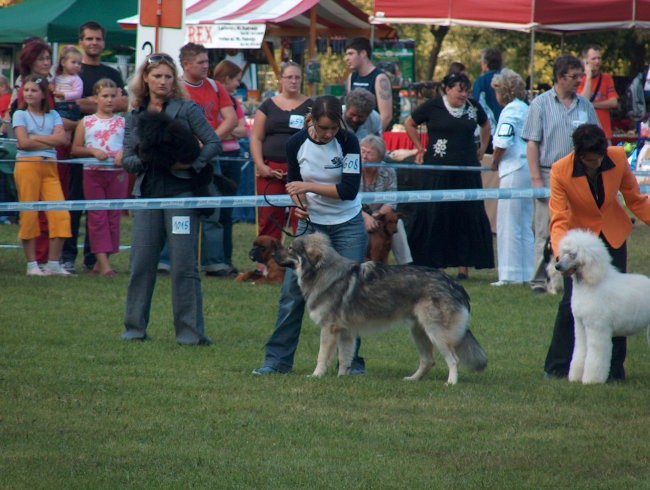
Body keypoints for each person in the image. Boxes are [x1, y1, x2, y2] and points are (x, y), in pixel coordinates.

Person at [253, 95, 367, 375]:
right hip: (310, 227)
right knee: (292, 294)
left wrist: (307, 187)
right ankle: (277, 360)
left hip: (347, 224)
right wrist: (299, 206)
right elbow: (294, 186)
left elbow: (348, 190)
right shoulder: (296, 143)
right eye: (324, 127)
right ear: (313, 121)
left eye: (334, 128)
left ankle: (351, 364)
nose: (329, 133)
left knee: (350, 297)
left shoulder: (348, 141)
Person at [121, 53, 220, 345]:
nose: (163, 81)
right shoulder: (135, 114)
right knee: (141, 264)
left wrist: (191, 165)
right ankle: (133, 329)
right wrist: (149, 161)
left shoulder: (188, 108)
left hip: (182, 195)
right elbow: (126, 160)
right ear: (146, 80)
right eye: (157, 76)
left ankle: (190, 334)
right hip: (147, 196)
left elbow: (213, 142)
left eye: (167, 76)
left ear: (173, 80)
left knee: (184, 266)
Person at [544, 124, 650, 381]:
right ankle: (558, 366)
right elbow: (558, 218)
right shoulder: (560, 170)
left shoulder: (617, 158)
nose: (597, 163)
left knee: (619, 302)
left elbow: (634, 199)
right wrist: (561, 254)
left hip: (612, 236)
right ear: (578, 154)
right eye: (591, 160)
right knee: (571, 304)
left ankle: (614, 369)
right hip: (579, 243)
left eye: (600, 158)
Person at [403, 72, 494, 279]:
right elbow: (410, 123)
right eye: (460, 90)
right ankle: (437, 265)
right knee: (437, 214)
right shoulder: (432, 106)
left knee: (466, 215)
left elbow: (485, 124)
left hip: (466, 169)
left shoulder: (473, 107)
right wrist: (419, 148)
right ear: (447, 88)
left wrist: (483, 147)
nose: (464, 95)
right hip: (438, 169)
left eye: (466, 90)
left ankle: (464, 266)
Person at [522, 54, 599, 294]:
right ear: (559, 77)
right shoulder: (540, 104)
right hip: (548, 174)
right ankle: (540, 280)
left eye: (580, 76)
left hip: (581, 175)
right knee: (545, 228)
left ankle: (579, 277)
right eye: (574, 77)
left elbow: (596, 139)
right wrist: (535, 179)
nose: (579, 81)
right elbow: (532, 143)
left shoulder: (585, 105)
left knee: (580, 227)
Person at [157, 42, 236, 277]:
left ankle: (214, 262)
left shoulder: (215, 86)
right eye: (200, 62)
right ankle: (166, 261)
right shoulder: (174, 87)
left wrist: (207, 141)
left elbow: (230, 119)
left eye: (206, 61)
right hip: (179, 160)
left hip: (210, 158)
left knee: (213, 208)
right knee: (175, 208)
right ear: (186, 64)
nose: (206, 66)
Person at [60, 21, 129, 275]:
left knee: (105, 212)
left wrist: (83, 104)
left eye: (98, 39)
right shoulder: (70, 74)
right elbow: (67, 107)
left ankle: (95, 259)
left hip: (109, 158)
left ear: (104, 41)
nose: (94, 43)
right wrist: (84, 106)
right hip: (82, 148)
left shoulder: (112, 73)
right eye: (89, 38)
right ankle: (68, 255)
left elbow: (122, 103)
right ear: (81, 40)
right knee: (75, 204)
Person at [12, 75, 71, 276]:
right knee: (29, 213)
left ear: (43, 94)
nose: (29, 94)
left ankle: (53, 263)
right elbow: (22, 143)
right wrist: (49, 140)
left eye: (34, 90)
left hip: (50, 166)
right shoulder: (20, 115)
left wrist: (35, 136)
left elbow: (62, 140)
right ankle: (32, 265)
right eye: (26, 90)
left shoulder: (53, 114)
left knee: (60, 214)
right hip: (27, 165)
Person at [70, 78, 127, 276]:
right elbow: (75, 149)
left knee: (113, 217)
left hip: (117, 174)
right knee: (97, 216)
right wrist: (93, 151)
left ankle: (101, 263)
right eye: (105, 96)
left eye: (113, 96)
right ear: (95, 98)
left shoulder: (122, 122)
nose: (109, 100)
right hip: (93, 173)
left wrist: (123, 153)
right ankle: (104, 265)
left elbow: (130, 145)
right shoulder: (86, 122)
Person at [250, 61, 311, 241]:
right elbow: (256, 138)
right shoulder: (267, 105)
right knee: (269, 216)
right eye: (289, 77)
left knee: (300, 215)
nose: (293, 81)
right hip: (271, 171)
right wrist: (261, 166)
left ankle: (301, 261)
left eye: (297, 77)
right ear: (280, 80)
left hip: (301, 171)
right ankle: (267, 264)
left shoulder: (311, 105)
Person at [489, 68, 534, 286]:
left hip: (513, 168)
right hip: (527, 167)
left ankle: (509, 274)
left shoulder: (509, 111)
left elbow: (503, 140)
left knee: (508, 223)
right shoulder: (525, 108)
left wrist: (494, 161)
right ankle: (527, 271)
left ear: (503, 92)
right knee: (524, 223)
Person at [213, 59, 250, 272]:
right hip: (215, 157)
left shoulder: (234, 102)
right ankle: (211, 257)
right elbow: (234, 127)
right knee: (211, 212)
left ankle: (225, 259)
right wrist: (230, 126)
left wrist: (222, 128)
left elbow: (243, 130)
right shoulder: (211, 97)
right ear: (226, 79)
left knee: (227, 212)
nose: (238, 85)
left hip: (232, 157)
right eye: (236, 80)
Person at [359, 134, 412, 264]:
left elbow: (391, 200)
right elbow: (347, 200)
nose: (364, 156)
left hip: (380, 215)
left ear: (379, 157)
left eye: (369, 153)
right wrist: (366, 218)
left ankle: (405, 264)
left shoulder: (388, 171)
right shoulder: (352, 168)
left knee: (397, 223)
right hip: (355, 213)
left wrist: (377, 215)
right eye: (362, 151)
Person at [345, 38, 393, 131]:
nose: (347, 58)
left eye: (351, 54)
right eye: (347, 54)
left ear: (363, 53)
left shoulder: (380, 78)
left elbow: (386, 116)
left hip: (371, 136)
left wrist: (372, 137)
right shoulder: (352, 77)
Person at [577, 44, 618, 141]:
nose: (597, 61)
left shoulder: (606, 78)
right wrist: (588, 78)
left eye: (599, 58)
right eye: (593, 59)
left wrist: (591, 104)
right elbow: (582, 101)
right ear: (585, 61)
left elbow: (613, 102)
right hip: (585, 134)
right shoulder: (578, 79)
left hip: (604, 133)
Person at [472, 47, 503, 143]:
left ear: (485, 63)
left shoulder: (481, 82)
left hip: (490, 132)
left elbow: (476, 106)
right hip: (510, 130)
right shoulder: (510, 78)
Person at [52, 45, 84, 136]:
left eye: (79, 63)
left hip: (68, 106)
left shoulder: (76, 79)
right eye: (73, 62)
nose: (77, 65)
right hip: (58, 104)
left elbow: (78, 93)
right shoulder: (58, 77)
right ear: (63, 62)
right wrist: (51, 86)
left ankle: (66, 140)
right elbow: (52, 84)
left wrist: (63, 95)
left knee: (65, 126)